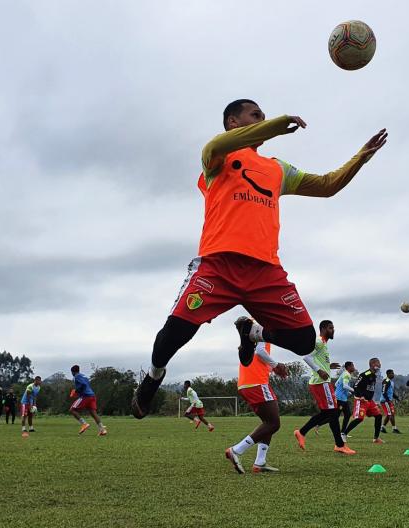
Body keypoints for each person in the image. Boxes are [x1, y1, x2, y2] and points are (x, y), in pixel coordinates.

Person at [130, 99, 388, 419]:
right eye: (255, 116)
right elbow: (214, 145)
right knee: (174, 333)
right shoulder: (218, 157)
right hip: (219, 265)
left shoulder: (277, 169)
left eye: (264, 117)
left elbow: (326, 185)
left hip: (266, 271)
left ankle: (253, 333)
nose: (262, 120)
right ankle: (153, 377)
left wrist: (361, 157)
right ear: (233, 122)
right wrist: (277, 125)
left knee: (304, 340)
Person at [226, 341, 290, 473]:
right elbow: (260, 351)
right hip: (257, 382)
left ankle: (260, 462)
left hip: (246, 383)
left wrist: (273, 368)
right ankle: (236, 450)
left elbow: (255, 356)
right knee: (273, 424)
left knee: (267, 423)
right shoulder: (263, 329)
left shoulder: (249, 332)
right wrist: (276, 365)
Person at [292, 321, 355, 455]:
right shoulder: (319, 342)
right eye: (331, 328)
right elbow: (306, 357)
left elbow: (315, 359)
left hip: (321, 382)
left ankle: (338, 444)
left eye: (333, 328)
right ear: (323, 329)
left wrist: (327, 366)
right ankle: (304, 432)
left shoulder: (324, 344)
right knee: (332, 413)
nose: (333, 330)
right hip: (321, 383)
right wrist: (319, 370)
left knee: (331, 413)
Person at [344, 357, 385, 444]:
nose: (380, 365)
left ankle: (376, 438)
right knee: (359, 419)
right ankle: (344, 434)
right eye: (378, 363)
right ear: (373, 364)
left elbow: (369, 388)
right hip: (361, 400)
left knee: (379, 416)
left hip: (369, 401)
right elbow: (356, 386)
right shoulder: (365, 374)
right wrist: (361, 396)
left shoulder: (374, 375)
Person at [70, 365, 107, 436]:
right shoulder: (84, 376)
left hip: (85, 396)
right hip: (92, 395)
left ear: (73, 372)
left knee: (72, 410)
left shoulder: (76, 376)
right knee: (93, 413)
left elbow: (83, 384)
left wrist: (75, 391)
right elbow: (86, 384)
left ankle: (84, 424)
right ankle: (102, 430)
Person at [335, 361, 357, 439]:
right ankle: (318, 424)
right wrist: (354, 390)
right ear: (348, 367)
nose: (354, 367)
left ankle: (343, 432)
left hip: (342, 398)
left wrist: (347, 392)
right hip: (340, 398)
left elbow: (336, 384)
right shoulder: (347, 374)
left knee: (347, 414)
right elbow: (345, 386)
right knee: (335, 416)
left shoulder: (344, 374)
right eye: (353, 366)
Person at [380, 369, 401, 434]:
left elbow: (391, 392)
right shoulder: (386, 381)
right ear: (388, 374)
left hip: (389, 401)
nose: (393, 374)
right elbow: (383, 392)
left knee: (390, 414)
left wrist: (396, 397)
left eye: (393, 373)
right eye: (392, 373)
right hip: (385, 401)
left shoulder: (391, 382)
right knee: (390, 414)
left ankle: (383, 428)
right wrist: (387, 400)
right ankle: (394, 429)